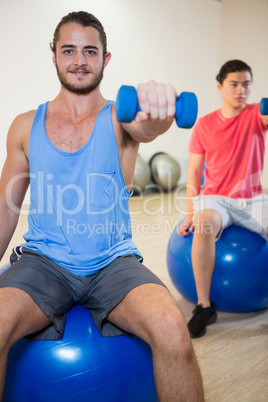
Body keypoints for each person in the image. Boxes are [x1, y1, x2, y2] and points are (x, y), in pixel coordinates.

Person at [0, 11, 204, 401]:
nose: (80, 60)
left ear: (105, 59)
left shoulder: (119, 119)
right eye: (69, 51)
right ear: (55, 57)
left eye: (90, 51)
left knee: (172, 327)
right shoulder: (25, 126)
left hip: (114, 262)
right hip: (44, 261)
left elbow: (147, 126)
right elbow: (7, 207)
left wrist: (158, 110)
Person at [178, 59, 268, 338]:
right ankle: (205, 306)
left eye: (247, 84)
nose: (241, 89)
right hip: (215, 197)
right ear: (220, 86)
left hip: (253, 198)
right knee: (204, 228)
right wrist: (192, 214)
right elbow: (194, 171)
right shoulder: (204, 125)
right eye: (234, 84)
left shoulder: (257, 115)